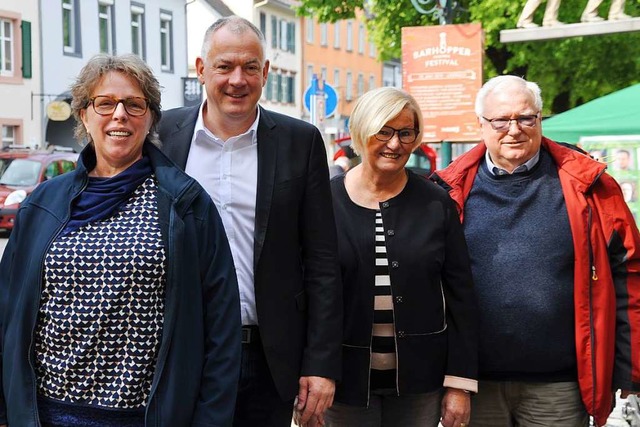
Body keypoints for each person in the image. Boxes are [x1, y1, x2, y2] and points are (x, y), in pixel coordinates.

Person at [0, 53, 241, 426]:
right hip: (44, 414)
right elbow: (7, 313)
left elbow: (221, 328)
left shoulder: (185, 205)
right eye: (105, 103)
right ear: (83, 114)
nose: (119, 115)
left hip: (144, 417)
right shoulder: (42, 205)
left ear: (150, 118)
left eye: (134, 104)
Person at [157, 16, 342, 427]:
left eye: (250, 67)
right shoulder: (161, 135)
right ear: (201, 69)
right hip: (180, 350)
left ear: (266, 72)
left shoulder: (300, 141)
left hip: (267, 356)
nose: (237, 80)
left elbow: (323, 263)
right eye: (224, 66)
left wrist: (320, 363)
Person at [431, 75, 640, 427]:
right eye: (501, 120)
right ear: (481, 124)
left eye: (526, 118)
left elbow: (630, 277)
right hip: (474, 383)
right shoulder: (447, 192)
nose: (514, 129)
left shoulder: (591, 187)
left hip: (559, 385)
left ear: (540, 119)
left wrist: (630, 370)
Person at [326, 86, 478, 427]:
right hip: (340, 383)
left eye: (406, 133)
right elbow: (305, 294)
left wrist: (459, 384)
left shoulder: (436, 203)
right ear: (362, 131)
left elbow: (461, 298)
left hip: (419, 384)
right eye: (384, 131)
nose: (395, 144)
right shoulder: (323, 201)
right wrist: (308, 373)